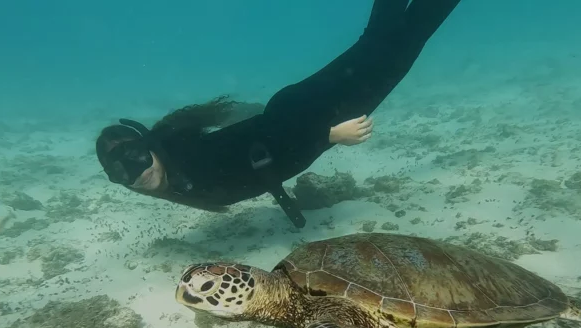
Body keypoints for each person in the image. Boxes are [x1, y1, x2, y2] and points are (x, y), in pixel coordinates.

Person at [96, 0, 461, 228]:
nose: (137, 174)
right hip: (304, 112)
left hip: (311, 115)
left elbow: (263, 139)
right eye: (119, 172)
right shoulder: (178, 173)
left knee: (403, 40)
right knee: (385, 40)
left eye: (135, 158)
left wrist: (329, 135)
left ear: (148, 145)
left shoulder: (190, 163)